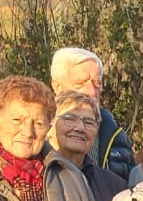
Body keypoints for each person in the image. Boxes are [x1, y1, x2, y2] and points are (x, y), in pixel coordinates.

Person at [50, 47, 134, 180]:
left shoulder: (116, 136)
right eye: (80, 83)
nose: (92, 92)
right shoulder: (34, 135)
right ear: (57, 86)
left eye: (97, 83)